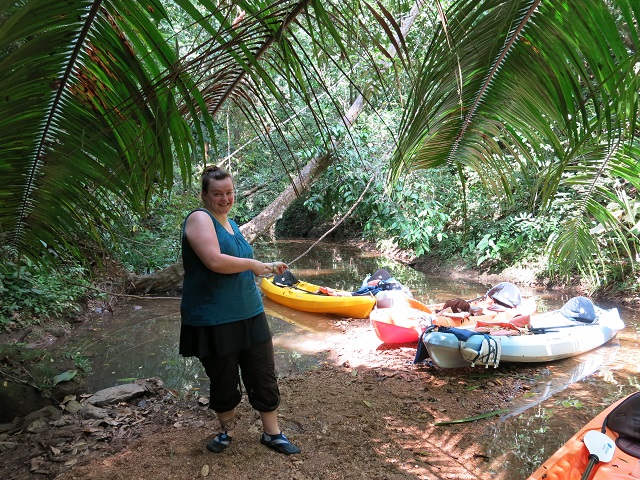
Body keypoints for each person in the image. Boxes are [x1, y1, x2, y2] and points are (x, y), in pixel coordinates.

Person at [179, 165, 301, 455]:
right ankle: (226, 432)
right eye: (218, 194)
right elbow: (215, 261)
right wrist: (253, 265)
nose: (225, 198)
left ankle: (272, 433)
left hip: (250, 312)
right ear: (204, 195)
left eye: (229, 192)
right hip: (214, 317)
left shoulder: (231, 223)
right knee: (223, 377)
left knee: (262, 372)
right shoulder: (199, 219)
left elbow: (239, 262)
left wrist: (268, 267)